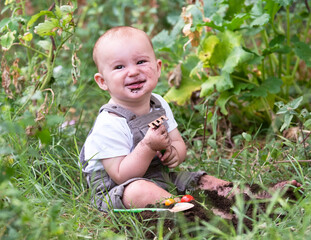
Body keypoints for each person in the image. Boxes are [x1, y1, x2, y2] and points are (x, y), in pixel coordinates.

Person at [80, 26, 301, 212]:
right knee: (139, 190)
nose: (133, 72)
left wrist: (174, 153)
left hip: (159, 176)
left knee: (202, 180)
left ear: (158, 69)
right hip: (118, 192)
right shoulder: (109, 122)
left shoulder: (158, 102)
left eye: (140, 62)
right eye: (119, 67)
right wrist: (147, 147)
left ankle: (255, 197)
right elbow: (121, 175)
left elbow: (177, 143)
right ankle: (195, 214)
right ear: (102, 81)